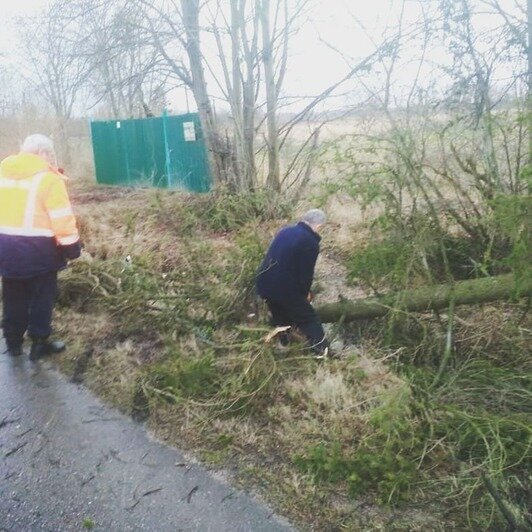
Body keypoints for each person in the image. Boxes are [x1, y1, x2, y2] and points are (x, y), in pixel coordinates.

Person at [0, 134, 81, 360]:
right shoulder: (48, 180)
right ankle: (38, 344)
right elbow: (61, 219)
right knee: (41, 298)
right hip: (39, 250)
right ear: (42, 153)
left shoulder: (3, 172)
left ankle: (13, 343)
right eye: (50, 154)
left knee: (12, 295)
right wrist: (72, 248)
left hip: (6, 248)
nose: (52, 159)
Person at [256, 209, 329, 357]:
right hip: (283, 288)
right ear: (319, 226)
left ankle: (282, 349)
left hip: (264, 284)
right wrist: (304, 295)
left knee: (282, 317)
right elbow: (305, 274)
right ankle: (322, 353)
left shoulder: (285, 231)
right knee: (309, 319)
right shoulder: (310, 242)